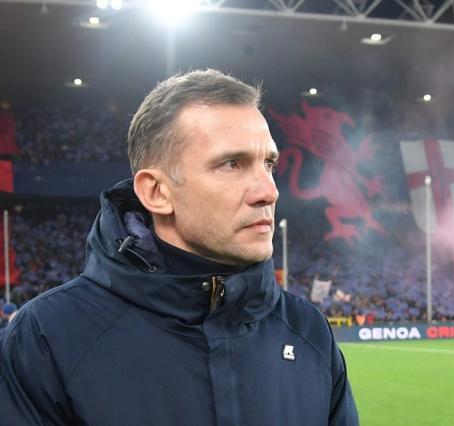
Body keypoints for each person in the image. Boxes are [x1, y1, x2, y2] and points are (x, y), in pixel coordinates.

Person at [0, 69, 359, 425]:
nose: (269, 191)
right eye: (232, 164)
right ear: (157, 192)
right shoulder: (47, 338)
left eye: (269, 164)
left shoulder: (309, 331)